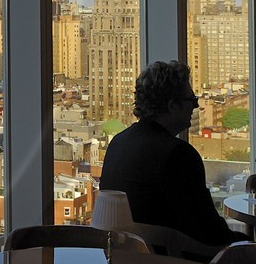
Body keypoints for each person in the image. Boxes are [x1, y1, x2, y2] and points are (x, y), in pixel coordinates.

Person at [99, 60, 236, 248]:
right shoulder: (177, 154)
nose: (196, 106)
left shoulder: (118, 143)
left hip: (127, 261)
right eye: (192, 100)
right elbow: (209, 231)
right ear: (172, 106)